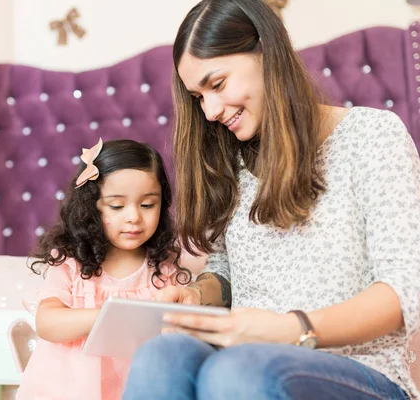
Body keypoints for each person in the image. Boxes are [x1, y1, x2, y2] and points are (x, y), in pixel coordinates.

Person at [122, 0, 420, 399]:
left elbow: (403, 292)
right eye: (198, 97)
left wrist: (290, 330)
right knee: (162, 356)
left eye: (218, 84)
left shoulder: (372, 136)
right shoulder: (229, 159)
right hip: (246, 358)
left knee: (238, 371)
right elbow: (223, 271)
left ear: (266, 53)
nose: (209, 111)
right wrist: (197, 295)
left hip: (363, 371)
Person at [16, 138, 191, 400]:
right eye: (117, 206)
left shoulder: (163, 268)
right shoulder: (72, 262)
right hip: (68, 391)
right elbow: (47, 322)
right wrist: (111, 317)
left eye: (147, 205)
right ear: (91, 207)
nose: (133, 216)